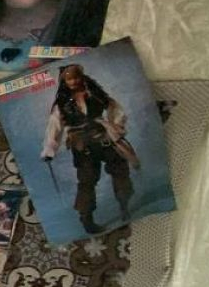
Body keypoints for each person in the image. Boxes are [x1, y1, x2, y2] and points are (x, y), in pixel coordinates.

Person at [41, 63, 139, 234]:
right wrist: (49, 150)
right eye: (69, 79)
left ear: (82, 77)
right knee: (87, 181)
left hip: (103, 138)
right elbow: (54, 127)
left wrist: (115, 127)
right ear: (64, 81)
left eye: (76, 77)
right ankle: (86, 219)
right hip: (82, 144)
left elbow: (116, 110)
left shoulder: (96, 94)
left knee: (120, 170)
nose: (73, 81)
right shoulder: (61, 104)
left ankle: (125, 206)